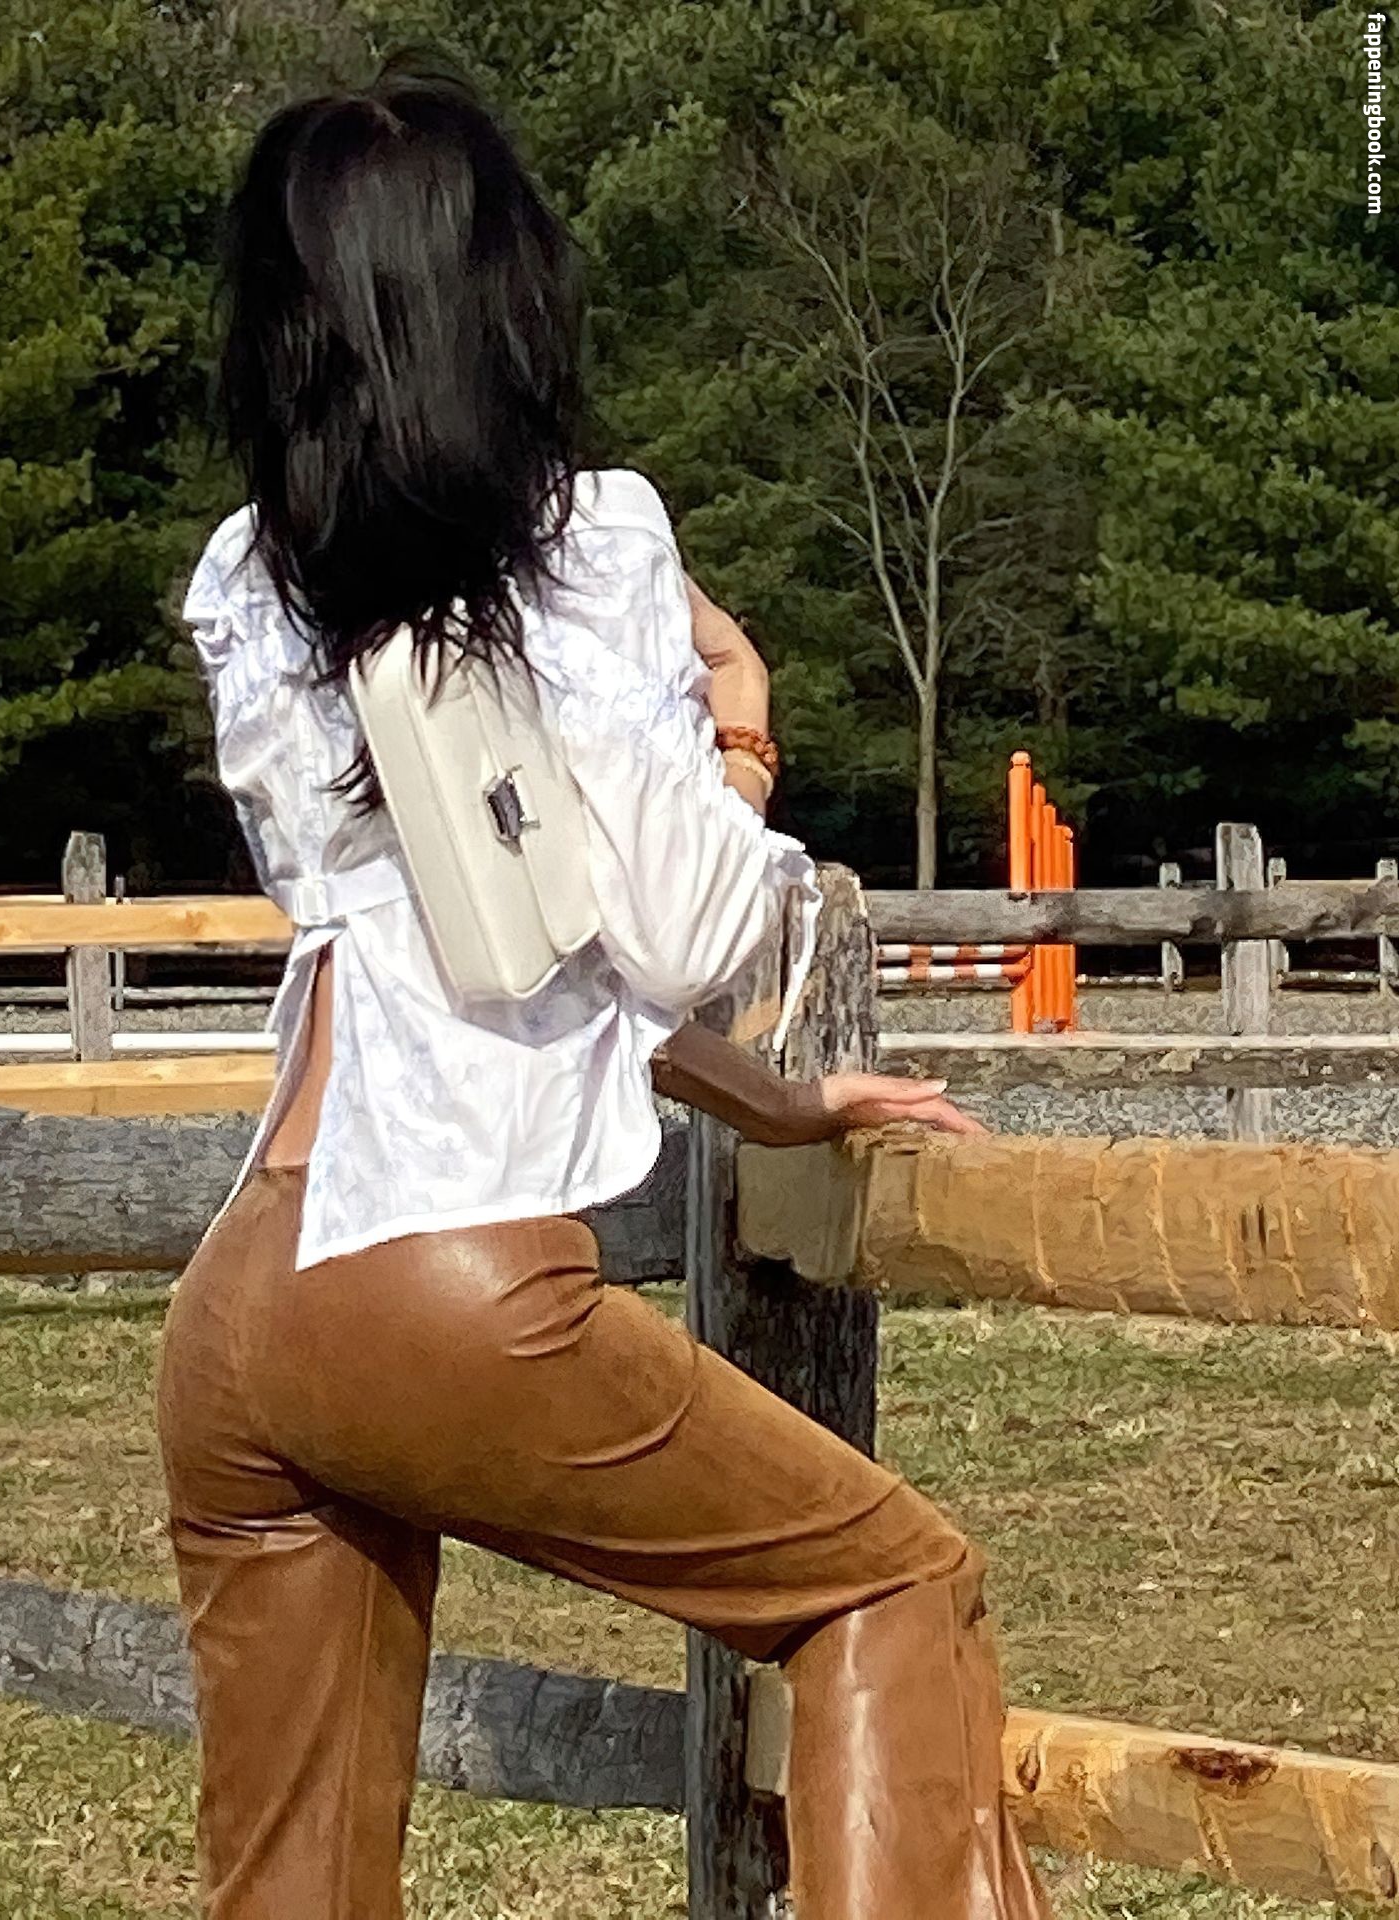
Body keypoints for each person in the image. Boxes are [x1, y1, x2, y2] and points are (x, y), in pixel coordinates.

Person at [156, 49, 1050, 1920]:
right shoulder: (589, 543)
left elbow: (454, 931)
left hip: (248, 1298)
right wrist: (739, 734)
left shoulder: (256, 578)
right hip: (444, 1280)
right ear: (503, 296)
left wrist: (765, 1098)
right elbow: (692, 929)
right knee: (888, 1585)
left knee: (292, 1886)